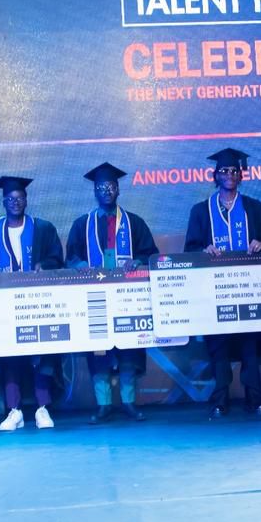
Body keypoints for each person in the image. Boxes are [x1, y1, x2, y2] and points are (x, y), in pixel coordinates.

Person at [66, 162, 159, 424]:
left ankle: (129, 402)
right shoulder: (82, 224)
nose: (106, 190)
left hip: (128, 297)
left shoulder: (134, 222)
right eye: (101, 187)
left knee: (129, 350)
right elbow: (70, 256)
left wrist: (138, 261)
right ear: (94, 191)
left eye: (111, 186)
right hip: (95, 298)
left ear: (118, 190)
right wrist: (79, 264)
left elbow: (149, 252)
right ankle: (104, 404)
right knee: (99, 352)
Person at [184, 148, 261, 418]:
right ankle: (220, 400)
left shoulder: (254, 208)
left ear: (241, 175)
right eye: (224, 171)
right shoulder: (201, 211)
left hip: (248, 288)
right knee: (218, 347)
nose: (230, 175)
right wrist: (204, 249)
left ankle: (254, 398)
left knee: (250, 347)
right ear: (215, 175)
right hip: (215, 291)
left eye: (234, 171)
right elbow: (191, 247)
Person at [0, 176, 64, 431]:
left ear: (26, 200)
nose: (15, 202)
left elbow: (56, 258)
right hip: (4, 305)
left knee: (40, 354)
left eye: (20, 198)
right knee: (10, 357)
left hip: (36, 302)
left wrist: (43, 265)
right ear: (3, 201)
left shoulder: (42, 227)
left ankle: (42, 409)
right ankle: (14, 411)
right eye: (10, 199)